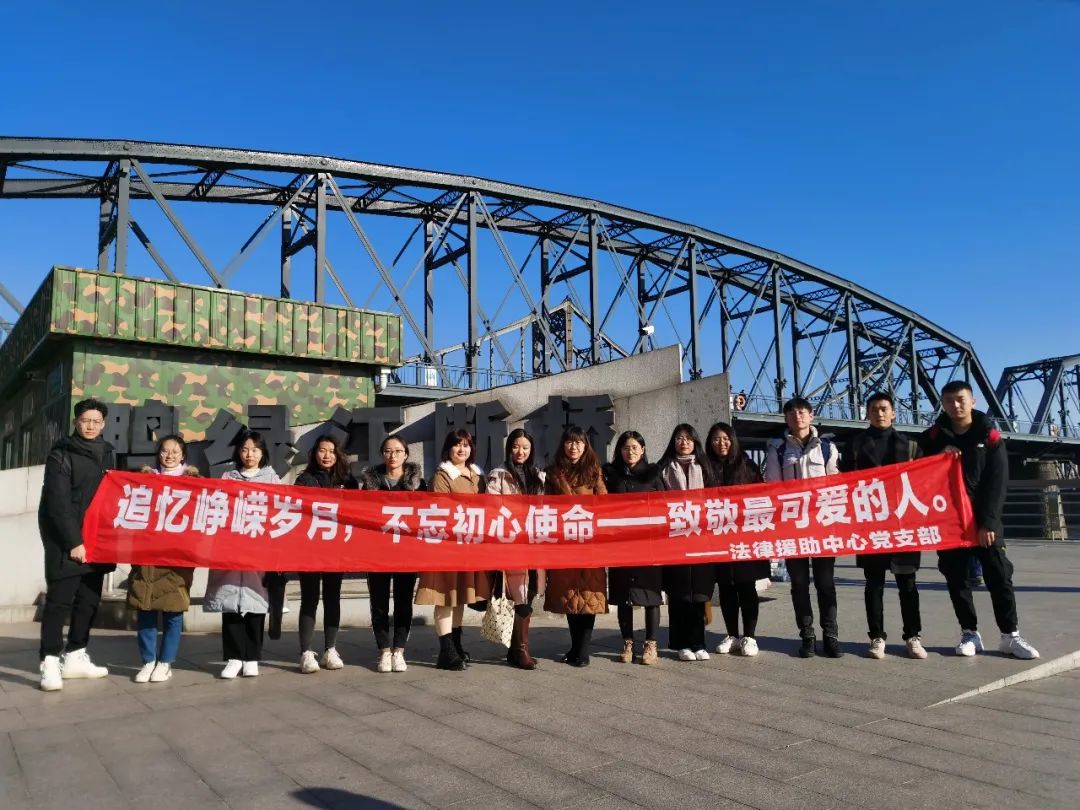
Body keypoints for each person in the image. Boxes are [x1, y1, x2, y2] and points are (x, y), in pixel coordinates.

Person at [919, 381, 1039, 659]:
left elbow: (998, 482)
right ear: (943, 404)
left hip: (985, 523)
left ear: (972, 401)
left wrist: (989, 522)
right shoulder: (934, 437)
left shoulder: (989, 435)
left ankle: (1010, 636)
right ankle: (969, 633)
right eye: (949, 401)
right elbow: (915, 466)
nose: (955, 405)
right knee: (957, 579)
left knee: (999, 576)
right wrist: (937, 456)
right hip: (950, 523)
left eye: (960, 399)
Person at [37, 398, 117, 691]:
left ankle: (75, 655)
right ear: (76, 422)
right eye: (85, 421)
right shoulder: (61, 454)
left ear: (103, 424)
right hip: (67, 541)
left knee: (88, 602)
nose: (90, 426)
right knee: (59, 603)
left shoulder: (108, 452)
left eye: (96, 421)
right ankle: (49, 662)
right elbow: (57, 503)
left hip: (98, 539)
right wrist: (74, 541)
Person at [841, 394, 927, 660]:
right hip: (872, 525)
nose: (879, 413)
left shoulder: (911, 445)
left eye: (884, 409)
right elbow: (845, 482)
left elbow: (925, 480)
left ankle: (913, 636)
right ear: (866, 414)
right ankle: (877, 637)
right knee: (874, 584)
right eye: (874, 409)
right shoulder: (855, 445)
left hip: (903, 524)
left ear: (893, 413)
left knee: (908, 584)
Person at [765, 397, 843, 658]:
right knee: (799, 584)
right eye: (791, 413)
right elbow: (773, 488)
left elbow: (836, 485)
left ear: (811, 415)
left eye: (801, 412)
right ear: (786, 418)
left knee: (825, 583)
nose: (797, 416)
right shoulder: (777, 449)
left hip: (822, 527)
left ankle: (831, 636)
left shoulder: (827, 448)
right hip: (793, 529)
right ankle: (807, 635)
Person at [204, 431, 281, 678]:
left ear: (262, 453)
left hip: (259, 550)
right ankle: (234, 657)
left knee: (256, 603)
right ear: (238, 452)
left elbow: (280, 512)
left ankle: (252, 657)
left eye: (255, 450)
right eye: (245, 449)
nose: (250, 455)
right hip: (231, 549)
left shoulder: (273, 479)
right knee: (230, 603)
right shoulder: (227, 477)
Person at [415, 430, 492, 671]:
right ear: (448, 448)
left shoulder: (478, 475)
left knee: (460, 598)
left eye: (466, 445)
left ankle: (456, 646)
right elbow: (441, 510)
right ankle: (446, 651)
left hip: (471, 547)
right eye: (457, 445)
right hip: (447, 548)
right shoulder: (442, 475)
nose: (462, 449)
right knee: (445, 599)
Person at [128, 434, 199, 684]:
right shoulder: (143, 480)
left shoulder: (194, 483)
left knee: (173, 611)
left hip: (176, 556)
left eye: (175, 452)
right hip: (146, 553)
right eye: (165, 451)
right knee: (145, 609)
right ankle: (148, 661)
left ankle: (165, 662)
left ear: (183, 455)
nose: (169, 456)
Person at [359, 434, 425, 673]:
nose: (393, 455)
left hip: (407, 552)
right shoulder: (370, 483)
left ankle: (399, 650)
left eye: (397, 451)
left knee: (403, 601)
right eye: (388, 451)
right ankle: (384, 650)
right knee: (378, 602)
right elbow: (360, 513)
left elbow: (427, 515)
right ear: (382, 454)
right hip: (377, 552)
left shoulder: (419, 484)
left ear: (406, 454)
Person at [544, 425, 608, 667]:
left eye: (579, 442)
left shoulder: (593, 471)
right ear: (563, 445)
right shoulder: (553, 473)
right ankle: (574, 648)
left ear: (585, 446)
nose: (574, 447)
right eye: (570, 442)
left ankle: (583, 652)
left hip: (590, 542)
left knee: (589, 595)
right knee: (570, 597)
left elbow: (604, 504)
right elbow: (546, 507)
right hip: (565, 543)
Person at [294, 434, 358, 674]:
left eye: (332, 451)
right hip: (309, 549)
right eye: (322, 450)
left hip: (336, 549)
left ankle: (330, 649)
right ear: (314, 453)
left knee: (333, 597)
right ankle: (305, 652)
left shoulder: (348, 481)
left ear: (338, 454)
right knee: (309, 599)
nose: (327, 455)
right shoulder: (304, 480)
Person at [705, 422, 768, 657]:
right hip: (718, 538)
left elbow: (762, 498)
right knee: (726, 587)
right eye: (716, 439)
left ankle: (749, 636)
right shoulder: (705, 468)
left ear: (733, 440)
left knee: (746, 586)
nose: (721, 443)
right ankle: (732, 635)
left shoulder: (747, 466)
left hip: (744, 538)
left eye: (725, 438)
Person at [487, 428, 546, 670]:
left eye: (525, 447)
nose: (520, 451)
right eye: (515, 446)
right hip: (511, 542)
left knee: (529, 591)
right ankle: (521, 649)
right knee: (519, 593)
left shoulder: (538, 475)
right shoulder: (498, 475)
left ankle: (515, 650)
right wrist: (516, 519)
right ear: (509, 448)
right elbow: (492, 507)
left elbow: (544, 509)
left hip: (534, 542)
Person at [602, 430, 663, 665]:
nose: (630, 452)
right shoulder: (610, 475)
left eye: (635, 448)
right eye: (626, 448)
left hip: (648, 544)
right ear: (620, 450)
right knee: (623, 595)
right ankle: (627, 642)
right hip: (620, 545)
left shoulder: (653, 474)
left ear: (643, 450)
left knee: (651, 595)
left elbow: (665, 506)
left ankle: (651, 643)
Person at [657, 424, 716, 661]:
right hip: (674, 538)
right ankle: (681, 643)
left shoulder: (705, 466)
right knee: (679, 593)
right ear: (673, 442)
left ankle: (699, 642)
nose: (684, 442)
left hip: (701, 538)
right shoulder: (663, 469)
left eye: (688, 438)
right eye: (679, 438)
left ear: (695, 442)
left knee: (699, 593)